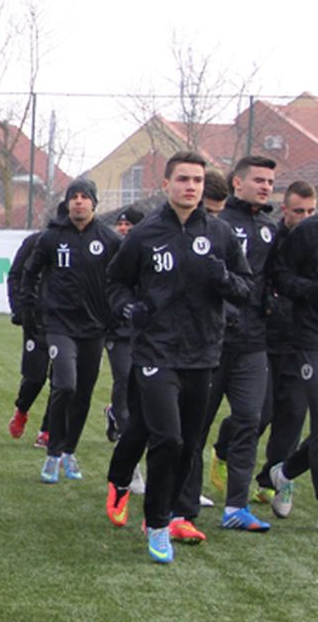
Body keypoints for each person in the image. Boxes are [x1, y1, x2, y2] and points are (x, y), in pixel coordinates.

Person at [104, 151, 250, 563]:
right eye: (183, 179)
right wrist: (129, 309)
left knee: (188, 443)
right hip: (155, 351)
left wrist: (220, 277)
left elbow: (244, 288)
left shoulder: (220, 235)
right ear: (166, 184)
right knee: (165, 436)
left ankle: (127, 487)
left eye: (197, 180)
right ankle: (158, 521)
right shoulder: (145, 235)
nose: (191, 186)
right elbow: (116, 283)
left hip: (203, 353)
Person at [179, 156, 277, 534]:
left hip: (254, 344)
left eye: (270, 181)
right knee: (196, 425)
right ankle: (185, 501)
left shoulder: (269, 229)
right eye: (259, 180)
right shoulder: (216, 226)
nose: (266, 186)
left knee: (249, 420)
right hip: (213, 343)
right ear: (238, 182)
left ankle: (235, 506)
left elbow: (271, 278)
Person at [22, 180, 122, 483]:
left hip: (94, 327)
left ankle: (69, 451)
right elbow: (30, 273)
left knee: (83, 392)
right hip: (59, 325)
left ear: (94, 203)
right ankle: (52, 453)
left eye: (84, 197)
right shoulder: (52, 237)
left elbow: (122, 279)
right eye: (73, 197)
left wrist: (115, 313)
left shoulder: (109, 239)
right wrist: (33, 311)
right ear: (67, 204)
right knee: (64, 384)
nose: (78, 202)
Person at [253, 181, 316, 503]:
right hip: (273, 339)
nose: (305, 217)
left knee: (293, 415)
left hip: (299, 342)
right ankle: (225, 452)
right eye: (299, 211)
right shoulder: (283, 237)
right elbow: (275, 278)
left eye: (310, 210)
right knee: (260, 414)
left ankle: (279, 476)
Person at [6, 207, 63, 448]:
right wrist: (20, 310)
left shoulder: (78, 248)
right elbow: (16, 275)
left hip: (65, 323)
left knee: (61, 379)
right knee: (35, 376)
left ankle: (48, 430)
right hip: (36, 321)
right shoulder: (34, 243)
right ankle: (22, 409)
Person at [102, 206, 144, 444]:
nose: (124, 228)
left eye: (129, 224)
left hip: (143, 328)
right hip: (117, 329)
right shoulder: (110, 250)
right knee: (124, 376)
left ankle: (115, 413)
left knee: (141, 381)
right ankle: (122, 422)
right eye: (121, 224)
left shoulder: (147, 250)